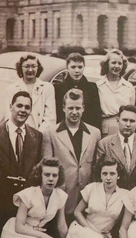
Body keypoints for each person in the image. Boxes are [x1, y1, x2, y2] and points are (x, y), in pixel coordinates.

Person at [57, 158, 129, 238]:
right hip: (83, 229)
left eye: (112, 173)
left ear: (118, 176)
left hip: (104, 236)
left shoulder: (125, 195)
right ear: (100, 175)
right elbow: (77, 212)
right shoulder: (92, 188)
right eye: (104, 174)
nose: (108, 177)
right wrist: (92, 231)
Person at [42, 88, 102, 217]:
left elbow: (97, 167)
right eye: (70, 108)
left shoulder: (95, 133)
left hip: (86, 196)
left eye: (78, 108)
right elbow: (47, 168)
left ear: (83, 108)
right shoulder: (50, 133)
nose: (74, 112)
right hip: (62, 196)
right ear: (63, 108)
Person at [0, 91, 44, 196]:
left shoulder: (37, 136)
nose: (23, 110)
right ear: (11, 107)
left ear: (31, 111)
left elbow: (38, 169)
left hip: (27, 198)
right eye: (19, 106)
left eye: (27, 107)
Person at [93, 105, 136, 189]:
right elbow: (98, 175)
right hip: (114, 195)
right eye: (125, 120)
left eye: (132, 121)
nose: (128, 124)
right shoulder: (104, 144)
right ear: (118, 120)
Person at [0, 54, 56, 131]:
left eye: (33, 66)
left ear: (38, 68)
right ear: (20, 68)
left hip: (41, 134)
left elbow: (50, 118)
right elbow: (8, 115)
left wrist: (38, 135)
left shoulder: (47, 88)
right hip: (19, 133)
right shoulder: (11, 89)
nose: (30, 70)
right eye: (26, 66)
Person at [53, 52, 102, 131]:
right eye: (73, 67)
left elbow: (96, 115)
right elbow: (57, 114)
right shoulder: (58, 88)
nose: (77, 71)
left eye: (80, 67)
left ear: (84, 67)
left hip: (87, 131)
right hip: (65, 131)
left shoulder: (92, 87)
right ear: (67, 68)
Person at [96, 49, 136, 136]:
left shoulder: (128, 87)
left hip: (125, 127)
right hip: (104, 128)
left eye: (119, 63)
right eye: (113, 63)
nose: (116, 66)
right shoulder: (98, 85)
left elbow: (132, 110)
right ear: (107, 64)